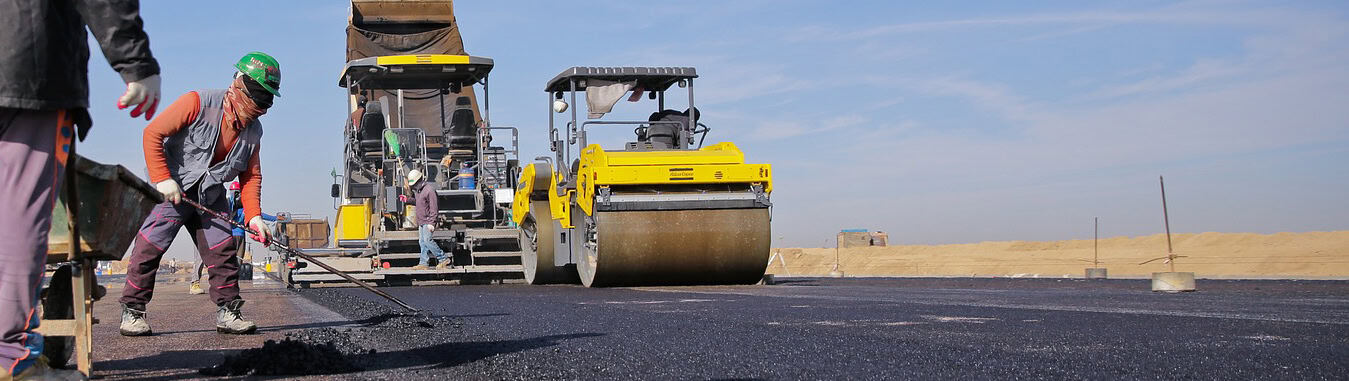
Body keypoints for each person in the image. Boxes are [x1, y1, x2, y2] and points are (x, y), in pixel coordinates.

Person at [1, 1, 160, 379]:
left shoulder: (248, 133)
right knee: (18, 215)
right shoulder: (199, 106)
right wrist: (136, 62)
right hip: (25, 66)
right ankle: (11, 357)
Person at [118, 52, 281, 337]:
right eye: (257, 96)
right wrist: (162, 179)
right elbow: (153, 133)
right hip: (172, 190)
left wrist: (254, 217)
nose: (260, 106)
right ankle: (132, 311)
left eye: (266, 99)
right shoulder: (197, 102)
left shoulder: (254, 131)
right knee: (149, 249)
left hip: (210, 196)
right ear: (238, 84)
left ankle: (229, 313)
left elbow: (251, 176)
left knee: (223, 254)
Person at [189, 182, 275, 295]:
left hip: (229, 235)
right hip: (205, 229)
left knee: (230, 261)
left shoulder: (239, 207)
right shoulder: (225, 202)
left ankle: (225, 285)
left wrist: (273, 218)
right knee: (200, 258)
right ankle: (195, 283)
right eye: (235, 193)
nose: (237, 195)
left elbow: (258, 214)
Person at [399, 169, 449, 270]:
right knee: (422, 242)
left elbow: (434, 208)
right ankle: (423, 263)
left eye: (414, 183)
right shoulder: (419, 191)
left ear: (419, 180)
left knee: (427, 241)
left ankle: (443, 258)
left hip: (427, 221)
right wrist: (407, 200)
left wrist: (432, 222)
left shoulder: (429, 190)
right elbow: (418, 202)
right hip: (421, 221)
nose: (413, 186)